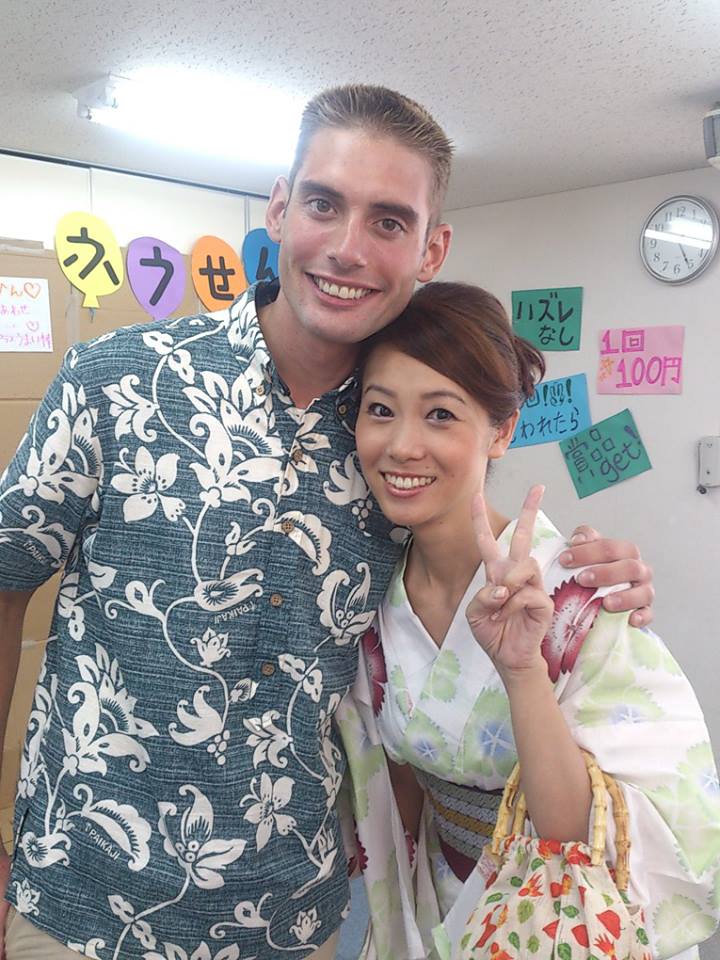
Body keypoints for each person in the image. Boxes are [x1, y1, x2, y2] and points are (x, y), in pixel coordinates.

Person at [0, 86, 656, 960]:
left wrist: (598, 577)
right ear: (280, 207)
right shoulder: (114, 379)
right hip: (77, 898)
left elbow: (480, 577)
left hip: (293, 916)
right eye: (323, 204)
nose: (347, 248)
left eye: (389, 221)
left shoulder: (396, 447)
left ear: (433, 246)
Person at [339, 281, 720, 960]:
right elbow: (399, 784)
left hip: (555, 917)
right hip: (441, 904)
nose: (401, 446)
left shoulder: (576, 595)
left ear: (503, 430)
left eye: (441, 415)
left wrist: (521, 669)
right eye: (380, 409)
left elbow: (576, 834)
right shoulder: (369, 593)